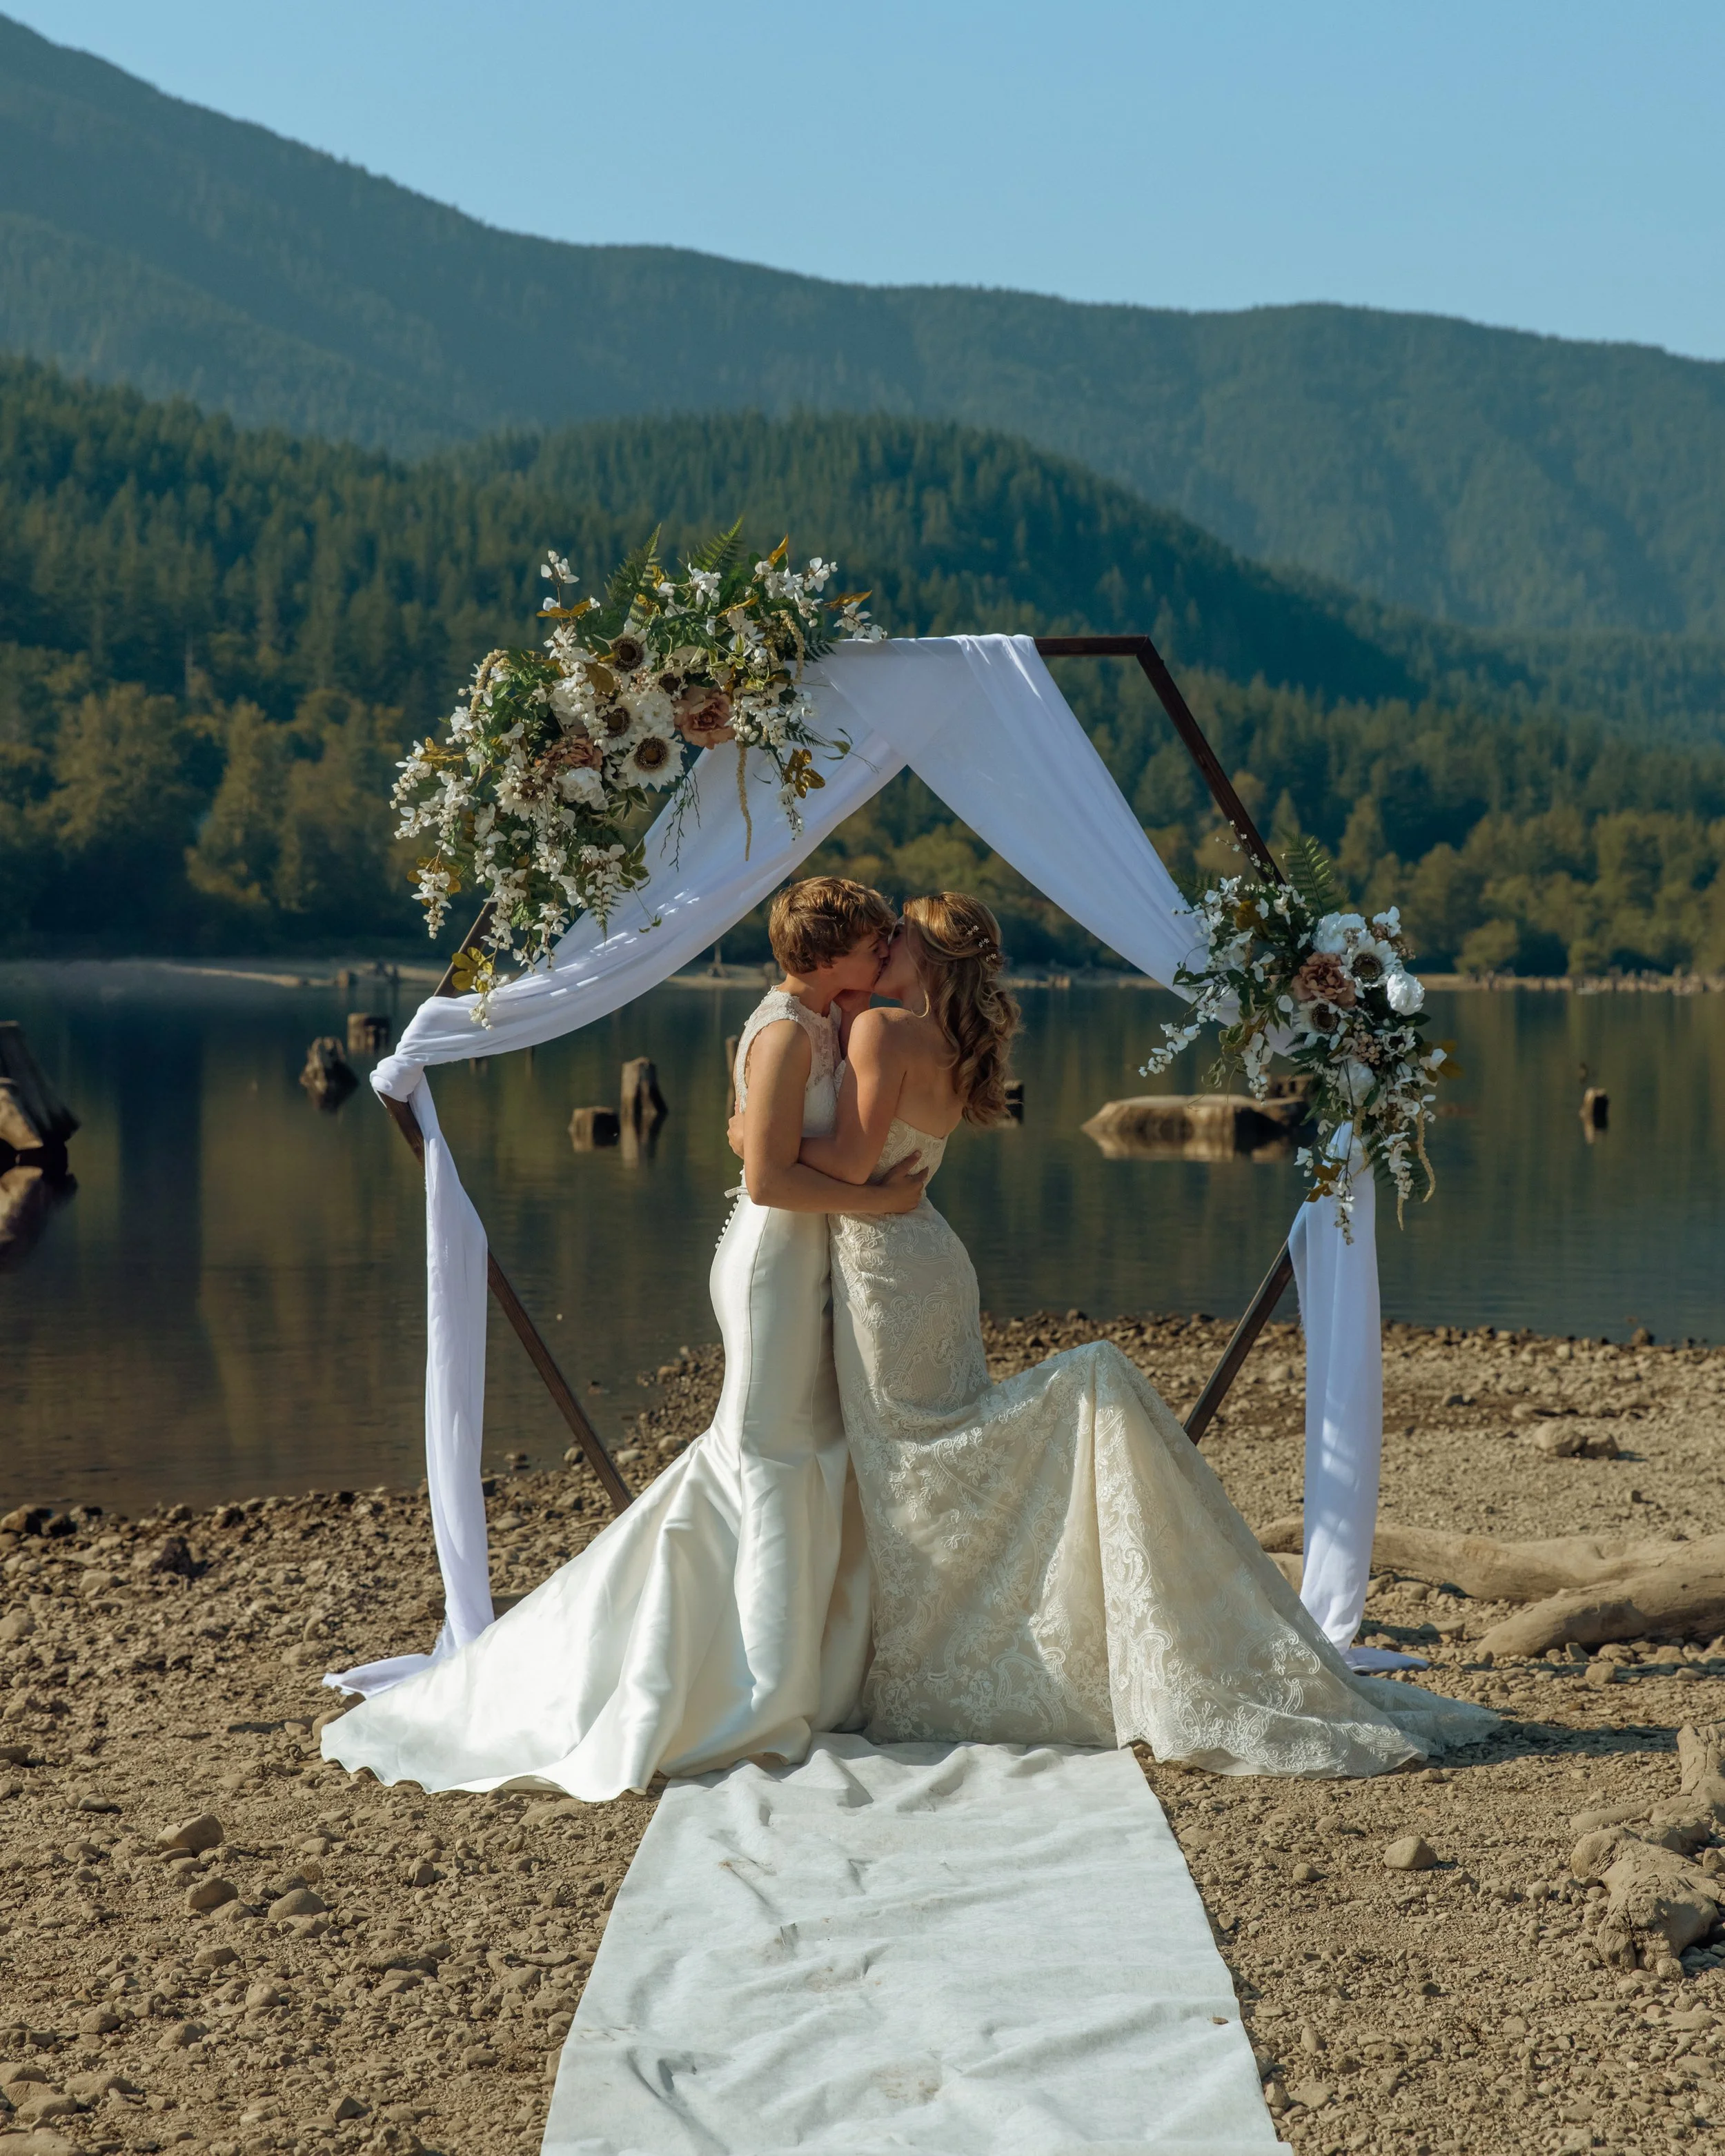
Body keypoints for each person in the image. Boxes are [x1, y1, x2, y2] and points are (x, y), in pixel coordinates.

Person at [792, 891, 1495, 1777]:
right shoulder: (942, 1041)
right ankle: (955, 1634)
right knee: (933, 1447)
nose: (882, 940)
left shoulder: (879, 1034)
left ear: (929, 956)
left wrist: (761, 1140)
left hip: (888, 1268)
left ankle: (942, 1646)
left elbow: (850, 1163)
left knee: (915, 1457)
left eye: (897, 933)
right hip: (928, 1252)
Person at [322, 877, 925, 1801]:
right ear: (830, 953)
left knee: (801, 1449)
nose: (888, 949)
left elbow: (776, 1148)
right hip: (772, 1263)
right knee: (764, 1453)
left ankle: (792, 1668)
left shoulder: (825, 1020)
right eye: (875, 939)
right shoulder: (781, 1034)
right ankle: (750, 1685)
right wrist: (878, 1200)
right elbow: (767, 1180)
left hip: (809, 1256)